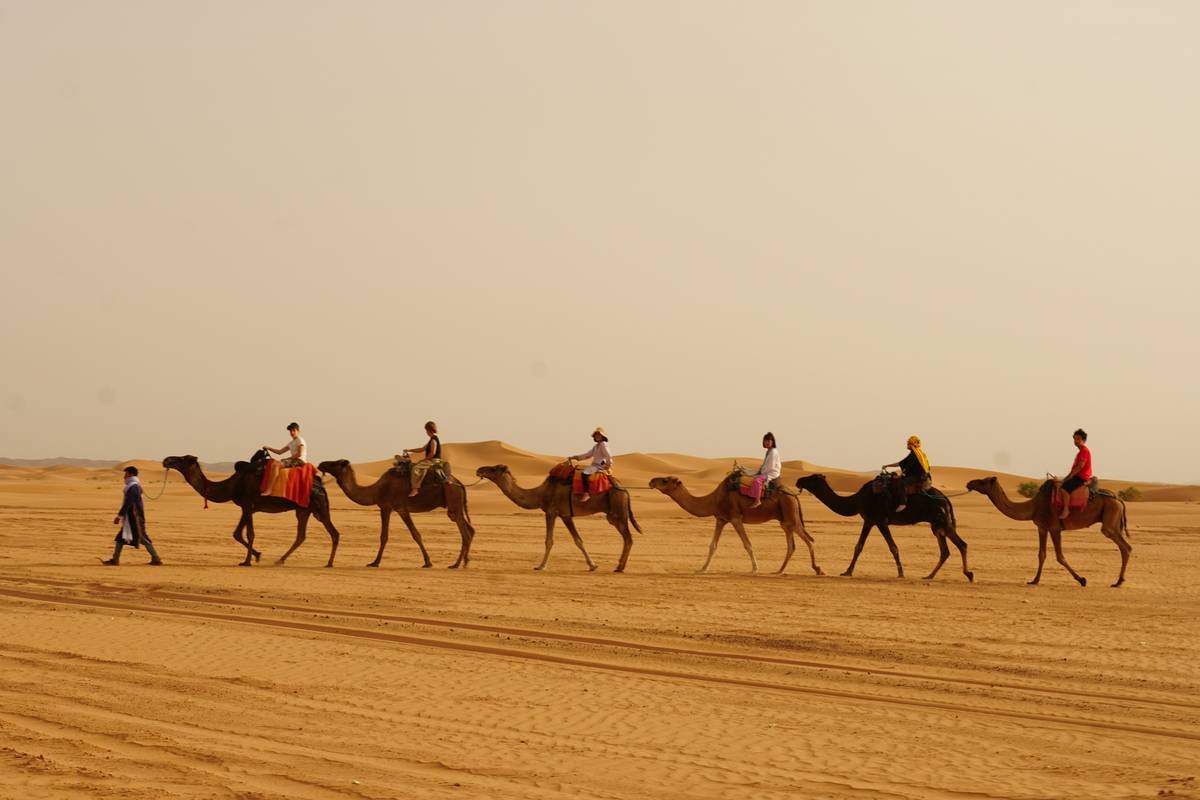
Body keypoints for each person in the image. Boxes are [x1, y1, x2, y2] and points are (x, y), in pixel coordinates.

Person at [102, 466, 163, 566]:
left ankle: (156, 558)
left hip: (135, 517)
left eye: (125, 474)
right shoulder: (133, 486)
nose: (124, 477)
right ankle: (115, 559)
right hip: (131, 517)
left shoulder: (133, 486)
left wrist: (120, 515)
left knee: (142, 537)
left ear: (130, 474)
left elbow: (129, 502)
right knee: (120, 538)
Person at [882, 435, 931, 513]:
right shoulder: (919, 454)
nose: (907, 445)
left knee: (902, 483)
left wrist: (900, 476)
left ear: (911, 445)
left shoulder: (914, 455)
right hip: (922, 476)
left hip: (918, 477)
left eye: (908, 444)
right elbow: (901, 463)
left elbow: (907, 467)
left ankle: (903, 503)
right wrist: (888, 465)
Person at [569, 426, 613, 503]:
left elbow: (608, 455)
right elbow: (587, 455)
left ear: (602, 436)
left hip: (599, 466)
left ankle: (586, 493)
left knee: (584, 473)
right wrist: (575, 457)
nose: (597, 436)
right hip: (594, 465)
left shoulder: (603, 444)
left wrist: (608, 465)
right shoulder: (596, 446)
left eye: (599, 435)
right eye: (596, 435)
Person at [1057, 428, 1093, 519]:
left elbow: (1080, 466)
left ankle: (1066, 510)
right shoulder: (1081, 452)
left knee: (1064, 489)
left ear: (1083, 440)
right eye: (1075, 439)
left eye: (1078, 439)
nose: (1076, 441)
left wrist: (1069, 476)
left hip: (1081, 477)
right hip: (1078, 476)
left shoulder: (1084, 451)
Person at [403, 421, 442, 497]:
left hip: (434, 461)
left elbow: (432, 453)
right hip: (432, 460)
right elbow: (422, 449)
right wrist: (410, 450)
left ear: (428, 430)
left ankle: (415, 489)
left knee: (415, 468)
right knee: (420, 466)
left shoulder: (433, 440)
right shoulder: (431, 440)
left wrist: (424, 460)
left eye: (426, 430)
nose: (426, 432)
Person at [746, 432, 781, 508]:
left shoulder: (773, 452)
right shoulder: (769, 451)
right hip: (767, 471)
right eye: (766, 441)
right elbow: (766, 465)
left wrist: (761, 473)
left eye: (769, 441)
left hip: (771, 473)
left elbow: (770, 466)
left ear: (772, 442)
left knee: (757, 480)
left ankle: (757, 500)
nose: (767, 442)